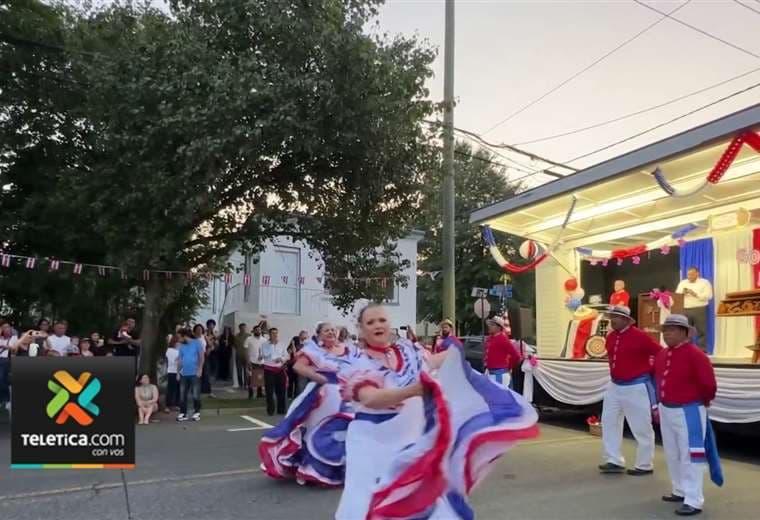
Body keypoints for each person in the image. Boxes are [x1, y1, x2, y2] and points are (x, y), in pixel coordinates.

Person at [335, 304, 539, 519]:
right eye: (370, 322)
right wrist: (413, 390)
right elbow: (371, 398)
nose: (378, 325)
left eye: (382, 320)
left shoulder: (406, 350)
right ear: (361, 329)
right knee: (372, 502)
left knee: (425, 500)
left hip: (410, 437)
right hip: (373, 442)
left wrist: (454, 355)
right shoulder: (357, 362)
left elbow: (432, 361)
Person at [259, 321, 358, 486]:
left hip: (344, 395)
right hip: (321, 395)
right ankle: (311, 468)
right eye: (327, 331)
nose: (331, 333)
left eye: (333, 330)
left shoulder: (347, 350)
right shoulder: (313, 351)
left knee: (343, 431)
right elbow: (298, 367)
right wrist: (319, 378)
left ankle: (340, 469)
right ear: (319, 334)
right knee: (315, 431)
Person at [655, 314, 719, 516]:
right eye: (665, 330)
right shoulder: (663, 354)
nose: (667, 333)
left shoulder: (696, 355)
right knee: (673, 453)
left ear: (685, 333)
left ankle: (694, 499)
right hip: (667, 409)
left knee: (693, 456)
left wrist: (701, 403)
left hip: (689, 410)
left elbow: (709, 385)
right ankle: (680, 489)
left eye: (672, 329)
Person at [598, 305, 662, 476]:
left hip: (636, 386)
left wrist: (652, 372)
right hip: (614, 385)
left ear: (626, 319)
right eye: (611, 316)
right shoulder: (610, 337)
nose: (612, 320)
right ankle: (613, 459)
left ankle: (645, 464)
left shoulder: (640, 336)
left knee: (641, 426)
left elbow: (660, 353)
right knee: (609, 422)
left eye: (616, 317)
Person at [676, 267, 713, 352]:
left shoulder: (704, 282)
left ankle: (702, 351)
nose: (689, 276)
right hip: (685, 309)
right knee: (686, 331)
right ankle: (687, 350)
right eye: (688, 274)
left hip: (699, 309)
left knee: (701, 331)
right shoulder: (683, 283)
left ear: (697, 274)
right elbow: (677, 295)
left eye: (692, 274)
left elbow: (709, 296)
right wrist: (682, 293)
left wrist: (695, 294)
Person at [484, 316, 522, 387]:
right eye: (490, 325)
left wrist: (509, 367)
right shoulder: (490, 338)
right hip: (490, 372)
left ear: (498, 328)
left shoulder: (503, 339)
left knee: (500, 396)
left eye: (492, 325)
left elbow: (516, 356)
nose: (489, 327)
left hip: (500, 374)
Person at [177, 328, 204, 422]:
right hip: (184, 373)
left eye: (179, 337)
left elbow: (201, 357)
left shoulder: (197, 343)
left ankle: (197, 412)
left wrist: (200, 369)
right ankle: (183, 413)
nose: (178, 339)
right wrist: (178, 372)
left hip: (194, 372)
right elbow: (180, 360)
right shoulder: (181, 346)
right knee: (182, 394)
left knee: (195, 394)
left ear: (184, 336)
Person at [259, 327, 288, 416]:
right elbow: (264, 355)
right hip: (269, 370)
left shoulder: (282, 344)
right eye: (272, 333)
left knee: (281, 391)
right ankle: (270, 410)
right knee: (269, 391)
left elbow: (287, 355)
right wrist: (272, 345)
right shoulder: (264, 345)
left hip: (279, 369)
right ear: (269, 334)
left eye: (276, 333)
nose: (274, 335)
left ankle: (281, 409)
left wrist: (282, 359)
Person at [245, 325, 266, 399]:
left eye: (259, 330)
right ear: (253, 331)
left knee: (260, 378)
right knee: (250, 378)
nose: (258, 331)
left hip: (261, 362)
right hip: (252, 361)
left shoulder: (264, 340)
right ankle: (250, 394)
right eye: (256, 330)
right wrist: (248, 361)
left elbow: (265, 350)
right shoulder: (249, 339)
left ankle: (259, 393)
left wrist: (262, 356)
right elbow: (246, 350)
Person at [193, 324, 214, 397]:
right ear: (195, 330)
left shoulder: (204, 337)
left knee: (206, 372)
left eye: (200, 329)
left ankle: (206, 390)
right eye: (197, 329)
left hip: (204, 355)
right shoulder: (192, 338)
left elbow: (211, 345)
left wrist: (208, 350)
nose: (199, 330)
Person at [0, 322, 18, 406]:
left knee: (1, 378)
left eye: (7, 327)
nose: (6, 329)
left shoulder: (14, 338)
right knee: (2, 379)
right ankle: (4, 398)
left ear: (10, 328)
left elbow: (15, 348)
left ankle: (5, 397)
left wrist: (4, 346)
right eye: (3, 328)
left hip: (6, 360)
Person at [165, 333, 180, 412]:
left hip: (179, 372)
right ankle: (168, 405)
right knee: (171, 389)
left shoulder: (179, 350)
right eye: (178, 342)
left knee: (178, 389)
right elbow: (176, 362)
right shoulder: (170, 351)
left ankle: (176, 404)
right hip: (173, 371)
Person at [234, 323, 250, 389]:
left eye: (244, 328)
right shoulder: (236, 336)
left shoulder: (249, 336)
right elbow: (235, 346)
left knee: (246, 371)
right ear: (239, 328)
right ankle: (240, 384)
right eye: (242, 328)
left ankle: (246, 384)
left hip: (246, 356)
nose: (243, 329)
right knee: (239, 371)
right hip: (238, 356)